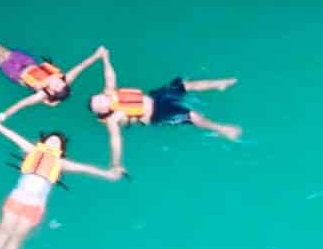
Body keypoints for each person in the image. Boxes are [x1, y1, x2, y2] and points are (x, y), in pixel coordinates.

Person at [0, 118, 122, 249]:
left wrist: (109, 173)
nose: (53, 142)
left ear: (61, 149)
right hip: (18, 198)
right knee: (3, 231)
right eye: (51, 139)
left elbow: (86, 168)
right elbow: (13, 136)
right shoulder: (31, 150)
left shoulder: (61, 163)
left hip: (35, 205)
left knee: (16, 237)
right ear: (43, 142)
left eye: (57, 142)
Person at [88, 49, 240, 168]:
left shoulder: (109, 94)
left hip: (156, 97)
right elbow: (116, 140)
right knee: (192, 116)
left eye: (100, 97)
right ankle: (222, 129)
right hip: (158, 114)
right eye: (100, 103)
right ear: (102, 111)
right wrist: (116, 164)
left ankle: (219, 84)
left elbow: (110, 77)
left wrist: (104, 57)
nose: (103, 98)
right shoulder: (113, 119)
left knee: (186, 85)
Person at [0, 27, 105, 109]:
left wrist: (4, 114)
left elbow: (24, 103)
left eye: (56, 86)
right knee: (1, 50)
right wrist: (96, 55)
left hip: (16, 73)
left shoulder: (42, 94)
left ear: (52, 91)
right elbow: (80, 67)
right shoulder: (64, 79)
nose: (57, 82)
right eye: (61, 83)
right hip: (26, 62)